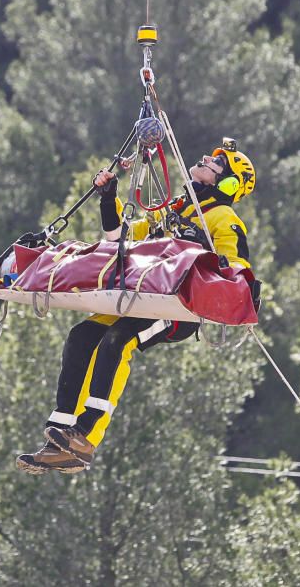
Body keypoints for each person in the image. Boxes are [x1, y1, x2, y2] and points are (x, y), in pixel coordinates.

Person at [16, 137, 257, 475]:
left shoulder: (222, 218)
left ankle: (86, 435)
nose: (204, 158)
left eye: (215, 163)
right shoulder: (175, 209)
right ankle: (60, 434)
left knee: (118, 339)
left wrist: (205, 250)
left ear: (228, 182)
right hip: (145, 297)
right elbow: (119, 239)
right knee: (82, 335)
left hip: (176, 310)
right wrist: (109, 198)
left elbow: (236, 268)